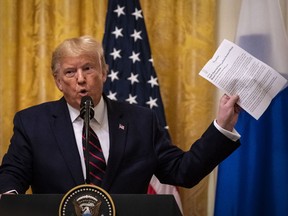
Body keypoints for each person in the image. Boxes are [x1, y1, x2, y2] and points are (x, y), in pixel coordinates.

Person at [0, 36, 241, 195]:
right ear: (58, 81)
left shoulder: (141, 121)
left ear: (104, 73)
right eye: (70, 72)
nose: (80, 79)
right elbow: (13, 174)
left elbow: (182, 171)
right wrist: (10, 196)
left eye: (88, 68)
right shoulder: (32, 123)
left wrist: (222, 125)